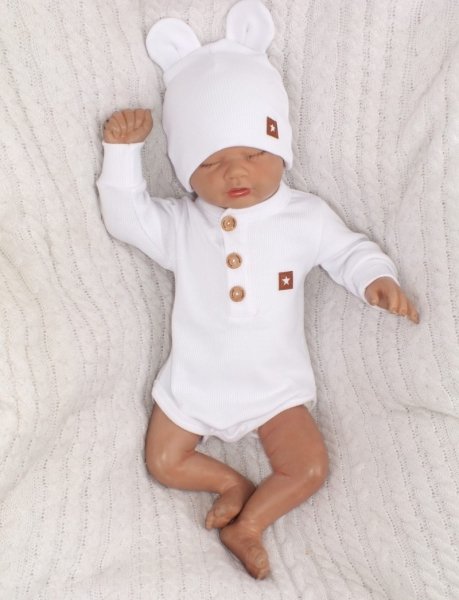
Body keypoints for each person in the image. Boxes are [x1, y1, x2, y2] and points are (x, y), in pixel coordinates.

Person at [97, 0, 419, 580]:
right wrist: (122, 156)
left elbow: (348, 250)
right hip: (194, 381)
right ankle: (231, 483)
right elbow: (128, 219)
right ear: (186, 170)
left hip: (274, 386)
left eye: (253, 154)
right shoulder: (183, 224)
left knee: (309, 468)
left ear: (281, 150)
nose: (236, 172)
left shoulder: (304, 216)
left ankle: (249, 525)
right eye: (212, 162)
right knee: (164, 461)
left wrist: (377, 278)